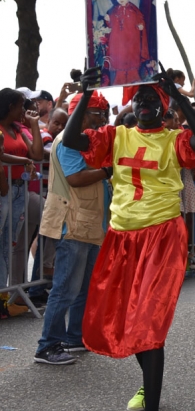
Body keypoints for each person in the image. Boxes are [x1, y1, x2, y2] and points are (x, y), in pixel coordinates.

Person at [62, 67, 195, 411]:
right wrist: (86, 93)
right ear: (131, 106)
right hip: (122, 238)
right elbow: (71, 140)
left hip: (162, 237)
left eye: (152, 99)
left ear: (163, 107)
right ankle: (148, 385)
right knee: (129, 318)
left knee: (148, 320)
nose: (144, 103)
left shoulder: (174, 140)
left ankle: (151, 402)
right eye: (139, 98)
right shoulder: (116, 136)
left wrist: (177, 94)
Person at [34, 91, 111, 365]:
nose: (102, 119)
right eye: (97, 114)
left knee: (84, 287)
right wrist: (107, 171)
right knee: (65, 288)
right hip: (73, 223)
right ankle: (48, 346)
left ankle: (75, 337)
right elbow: (76, 178)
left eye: (103, 114)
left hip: (89, 222)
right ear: (81, 114)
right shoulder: (69, 142)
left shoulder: (86, 140)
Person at [0, 89, 43, 292]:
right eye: (20, 106)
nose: (24, 111)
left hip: (19, 190)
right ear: (10, 107)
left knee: (9, 243)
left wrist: (34, 125)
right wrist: (24, 160)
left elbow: (37, 154)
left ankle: (3, 293)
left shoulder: (17, 129)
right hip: (3, 190)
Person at [104, 0, 154, 85]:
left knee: (132, 59)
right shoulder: (114, 10)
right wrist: (108, 20)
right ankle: (120, 79)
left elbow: (140, 20)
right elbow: (111, 26)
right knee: (121, 59)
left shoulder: (134, 10)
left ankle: (133, 78)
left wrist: (141, 25)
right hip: (119, 41)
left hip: (132, 41)